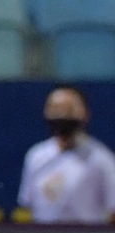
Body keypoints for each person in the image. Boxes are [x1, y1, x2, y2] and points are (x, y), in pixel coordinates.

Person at [16, 84, 115, 225]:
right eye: (55, 109)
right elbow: (29, 205)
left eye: (68, 109)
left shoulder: (101, 159)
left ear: (85, 113)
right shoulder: (36, 156)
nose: (61, 115)